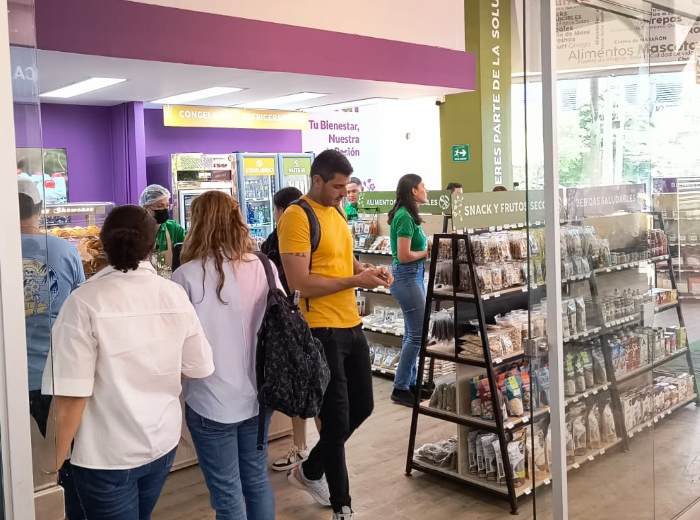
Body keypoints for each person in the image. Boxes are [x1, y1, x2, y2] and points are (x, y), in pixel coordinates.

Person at [43, 205, 214, 520]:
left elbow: (70, 398)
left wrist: (48, 470)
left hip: (107, 455)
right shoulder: (174, 294)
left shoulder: (84, 301)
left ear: (102, 243)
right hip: (161, 443)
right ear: (152, 245)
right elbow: (198, 367)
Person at [278, 149, 391, 520]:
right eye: (338, 186)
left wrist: (365, 270)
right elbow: (300, 283)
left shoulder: (337, 211)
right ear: (318, 180)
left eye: (346, 186)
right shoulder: (297, 216)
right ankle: (342, 505)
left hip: (351, 324)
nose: (345, 193)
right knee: (336, 419)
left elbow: (343, 259)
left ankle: (311, 469)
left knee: (364, 406)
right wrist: (354, 281)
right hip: (320, 329)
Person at [173, 191, 279, 520]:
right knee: (257, 480)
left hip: (210, 397)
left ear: (197, 223)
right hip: (260, 393)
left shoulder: (185, 276)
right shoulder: (264, 266)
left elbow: (178, 343)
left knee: (227, 492)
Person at [18, 177, 86, 520]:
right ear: (40, 208)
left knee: (18, 464)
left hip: (12, 380)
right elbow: (80, 306)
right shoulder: (65, 250)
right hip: (57, 374)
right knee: (66, 462)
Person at [261, 186, 322, 472]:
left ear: (280, 211)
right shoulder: (316, 232)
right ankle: (322, 450)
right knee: (316, 386)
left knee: (303, 386)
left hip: (291, 322)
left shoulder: (276, 240)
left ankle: (306, 449)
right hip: (317, 318)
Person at [387, 175, 430, 406]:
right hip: (406, 277)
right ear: (414, 190)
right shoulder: (404, 216)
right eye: (423, 186)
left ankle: (411, 382)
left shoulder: (408, 215)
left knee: (412, 333)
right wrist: (428, 251)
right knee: (417, 334)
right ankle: (401, 386)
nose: (426, 190)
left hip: (413, 276)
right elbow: (403, 256)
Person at [139, 184, 186, 268]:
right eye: (160, 206)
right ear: (145, 207)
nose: (164, 209)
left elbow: (190, 248)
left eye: (167, 205)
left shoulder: (173, 228)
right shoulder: (136, 231)